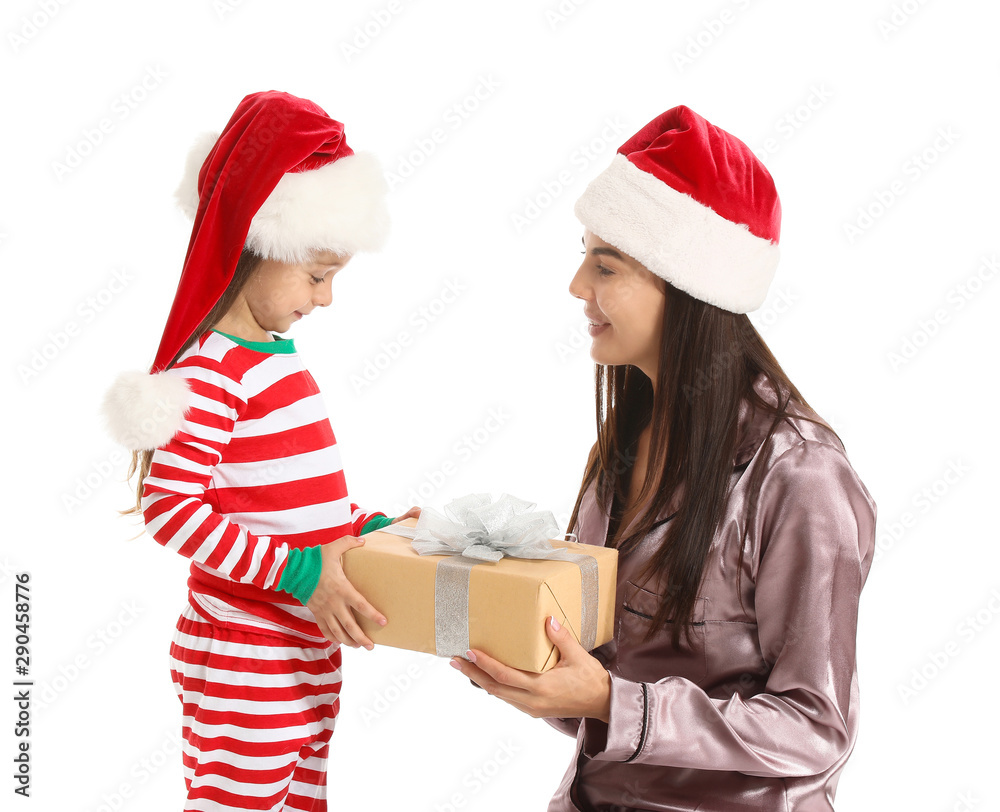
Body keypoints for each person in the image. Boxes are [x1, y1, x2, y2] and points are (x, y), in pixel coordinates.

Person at [451, 106, 876, 811]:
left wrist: (617, 704)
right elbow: (593, 688)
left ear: (688, 289)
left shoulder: (801, 476)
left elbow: (816, 727)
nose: (577, 286)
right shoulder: (627, 444)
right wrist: (456, 588)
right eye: (583, 253)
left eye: (605, 264)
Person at [102, 90, 417, 811]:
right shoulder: (212, 371)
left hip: (305, 643)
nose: (328, 298)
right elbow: (170, 510)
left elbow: (289, 496)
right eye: (317, 275)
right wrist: (302, 571)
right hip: (247, 651)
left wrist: (366, 530)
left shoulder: (273, 357)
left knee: (302, 800)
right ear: (255, 245)